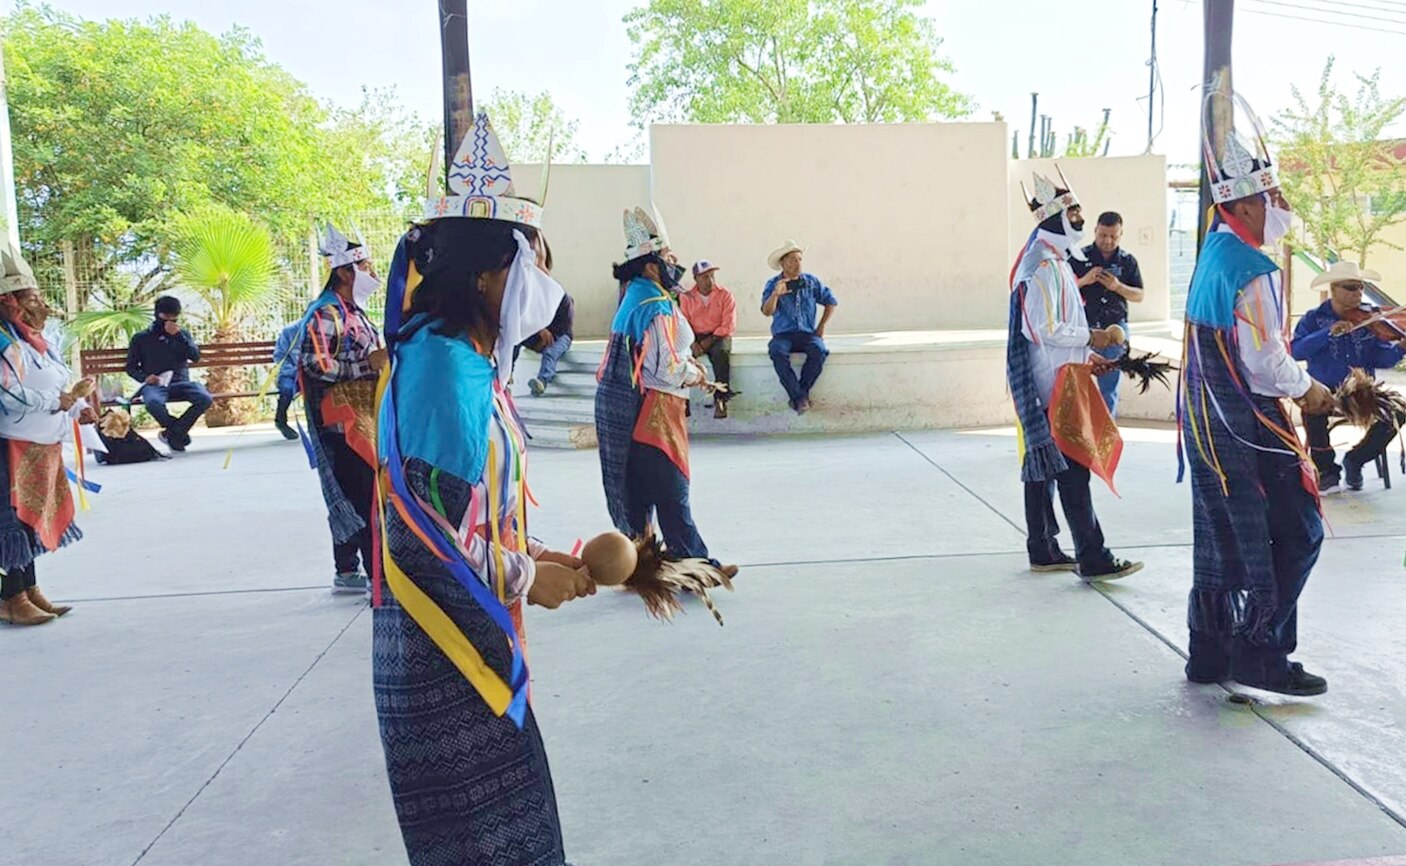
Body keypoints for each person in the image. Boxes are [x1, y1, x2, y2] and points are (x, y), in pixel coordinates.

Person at [374, 112, 594, 866]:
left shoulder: (467, 360)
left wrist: (532, 554)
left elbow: (462, 508)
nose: (541, 291)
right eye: (528, 272)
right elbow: (423, 536)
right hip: (442, 643)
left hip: (468, 621)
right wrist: (530, 577)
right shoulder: (444, 369)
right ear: (484, 277)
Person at [1180, 87, 1337, 696]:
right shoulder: (1253, 270)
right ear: (1241, 204)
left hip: (1207, 425)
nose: (1281, 204)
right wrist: (1311, 389)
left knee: (1221, 532)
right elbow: (1266, 361)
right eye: (1272, 195)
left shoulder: (1213, 253)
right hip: (1247, 426)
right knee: (1299, 532)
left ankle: (1211, 650)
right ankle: (1260, 650)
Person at [1008, 167, 1143, 583]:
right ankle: (1091, 555)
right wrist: (1094, 336)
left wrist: (1088, 353)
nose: (1082, 219)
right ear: (1055, 219)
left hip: (1065, 373)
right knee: (1072, 468)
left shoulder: (1058, 261)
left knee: (1046, 465)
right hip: (1052, 384)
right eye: (1075, 213)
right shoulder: (1043, 267)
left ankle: (1045, 548)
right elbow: (1043, 329)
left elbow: (1061, 323)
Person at [596, 207, 735, 569]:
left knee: (644, 491)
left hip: (638, 409)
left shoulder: (635, 296)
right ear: (652, 265)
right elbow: (664, 367)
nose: (677, 264)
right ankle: (696, 564)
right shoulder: (655, 304)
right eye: (670, 258)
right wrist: (695, 374)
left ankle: (644, 564)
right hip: (655, 412)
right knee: (673, 491)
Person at [0, 241, 95, 626]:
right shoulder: (5, 339)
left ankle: (30, 588)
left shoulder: (38, 341)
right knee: (9, 518)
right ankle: (12, 596)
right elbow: (7, 392)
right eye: (30, 298)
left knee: (30, 514)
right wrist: (55, 401)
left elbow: (58, 383)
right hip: (9, 440)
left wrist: (76, 403)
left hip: (39, 441)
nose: (41, 305)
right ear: (9, 302)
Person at [300, 223, 385, 594]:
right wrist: (368, 364)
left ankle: (347, 569)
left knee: (356, 492)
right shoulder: (326, 314)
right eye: (365, 266)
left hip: (362, 412)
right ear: (345, 271)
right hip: (342, 420)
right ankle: (373, 576)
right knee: (362, 494)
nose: (372, 273)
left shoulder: (354, 310)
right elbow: (315, 364)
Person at [1292, 260, 1406, 493]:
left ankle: (1356, 460)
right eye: (1351, 288)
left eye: (1360, 287)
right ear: (1334, 289)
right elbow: (1295, 351)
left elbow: (1381, 358)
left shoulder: (1368, 320)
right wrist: (1327, 334)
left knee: (1398, 411)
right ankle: (1326, 471)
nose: (1358, 293)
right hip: (1324, 389)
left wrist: (1401, 348)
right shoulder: (1313, 319)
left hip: (1361, 391)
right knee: (1313, 412)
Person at [1070, 211, 1145, 415]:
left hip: (1115, 328)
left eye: (1113, 236)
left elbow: (1139, 295)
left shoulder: (1128, 261)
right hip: (1085, 327)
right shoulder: (1078, 256)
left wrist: (1117, 286)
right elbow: (1062, 290)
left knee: (1109, 386)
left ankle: (1106, 433)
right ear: (1095, 231)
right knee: (1078, 383)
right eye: (1103, 235)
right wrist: (1085, 280)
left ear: (1121, 235)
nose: (1107, 240)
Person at [125, 295, 212, 452]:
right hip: (155, 384)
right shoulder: (141, 338)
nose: (170, 320)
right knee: (153, 403)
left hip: (181, 382)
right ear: (157, 314)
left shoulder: (183, 335)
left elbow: (195, 357)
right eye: (166, 316)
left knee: (204, 398)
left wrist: (177, 336)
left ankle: (172, 433)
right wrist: (145, 378)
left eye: (174, 317)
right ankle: (177, 434)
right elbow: (131, 367)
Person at [762, 240, 837, 414]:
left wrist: (821, 327)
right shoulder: (773, 283)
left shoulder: (811, 281)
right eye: (792, 260)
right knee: (776, 352)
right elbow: (766, 311)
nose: (797, 264)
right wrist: (775, 294)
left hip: (807, 333)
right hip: (783, 334)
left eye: (799, 259)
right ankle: (800, 397)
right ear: (783, 263)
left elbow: (830, 301)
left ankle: (799, 395)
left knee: (819, 351)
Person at [679, 260, 738, 419]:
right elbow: (683, 323)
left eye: (712, 276)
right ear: (696, 278)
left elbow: (728, 325)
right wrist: (692, 343)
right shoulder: (686, 297)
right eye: (705, 277)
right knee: (682, 356)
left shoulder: (725, 295)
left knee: (721, 354)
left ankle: (721, 399)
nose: (710, 280)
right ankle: (683, 402)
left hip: (718, 334)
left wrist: (708, 341)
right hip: (694, 335)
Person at [520, 292, 574, 397]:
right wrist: (539, 330)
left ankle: (542, 381)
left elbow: (565, 327)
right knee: (517, 338)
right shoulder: (537, 299)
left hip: (562, 335)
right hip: (541, 333)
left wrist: (546, 337)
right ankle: (508, 374)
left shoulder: (564, 300)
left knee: (550, 352)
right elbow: (525, 319)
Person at [272, 321, 301, 440]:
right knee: (287, 389)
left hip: (313, 373)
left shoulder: (324, 328)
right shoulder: (289, 331)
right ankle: (281, 421)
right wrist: (294, 371)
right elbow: (280, 357)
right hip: (290, 374)